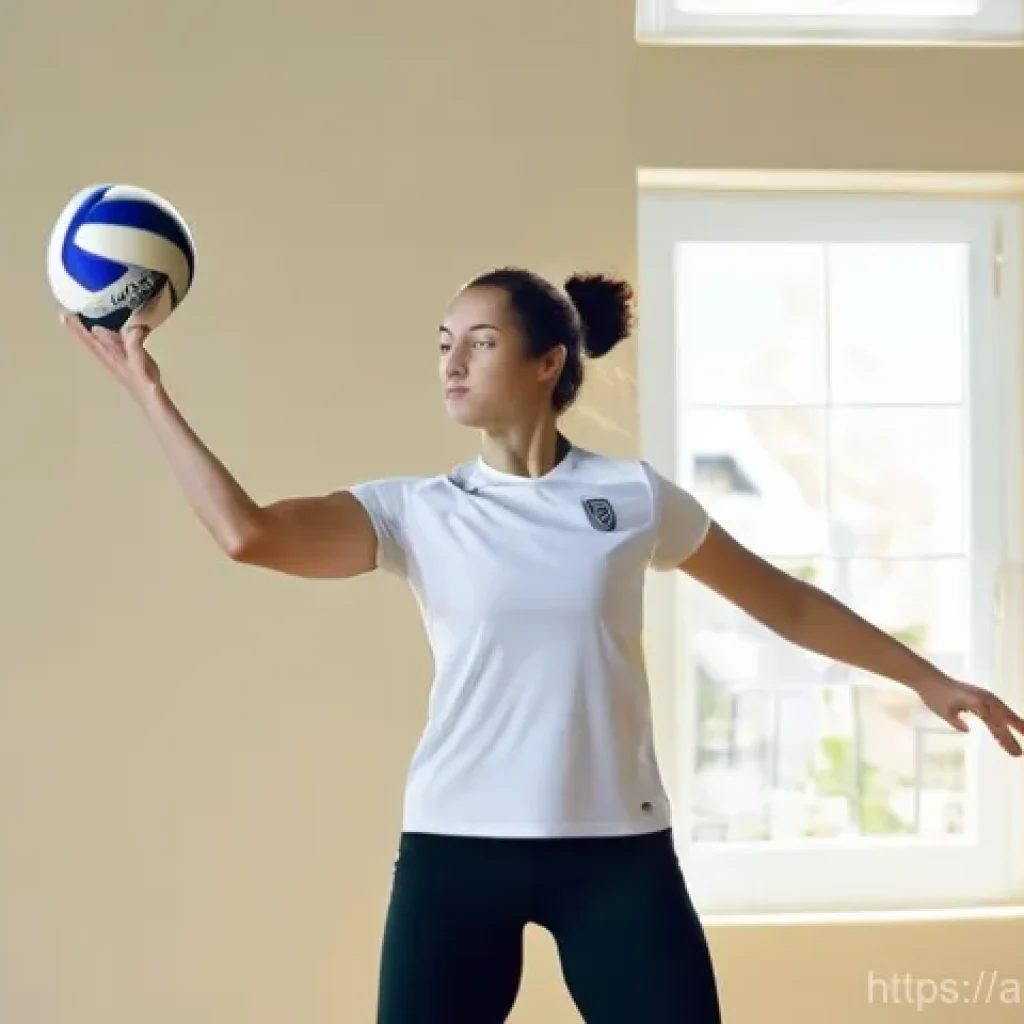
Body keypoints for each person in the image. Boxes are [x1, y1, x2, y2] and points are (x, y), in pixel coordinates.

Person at [62, 267, 1024, 1024]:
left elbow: (786, 603)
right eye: (442, 344)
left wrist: (930, 679)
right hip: (455, 855)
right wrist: (150, 394)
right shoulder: (417, 512)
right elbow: (249, 534)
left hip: (616, 857)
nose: (451, 362)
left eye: (479, 342)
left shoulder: (634, 499)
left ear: (547, 361)